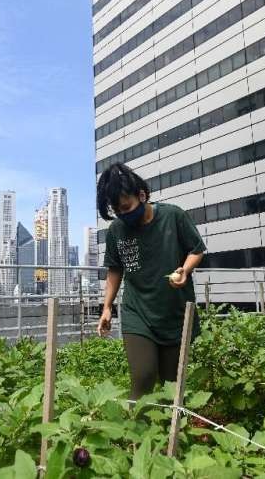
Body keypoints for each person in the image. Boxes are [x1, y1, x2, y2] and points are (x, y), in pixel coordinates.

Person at [96, 162, 206, 400]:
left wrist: (185, 270)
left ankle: (170, 434)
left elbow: (197, 249)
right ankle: (136, 436)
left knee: (172, 386)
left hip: (174, 312)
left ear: (142, 195)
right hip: (138, 313)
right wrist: (107, 307)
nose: (123, 215)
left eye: (127, 207)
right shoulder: (117, 230)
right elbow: (115, 270)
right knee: (143, 375)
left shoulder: (172, 215)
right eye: (118, 211)